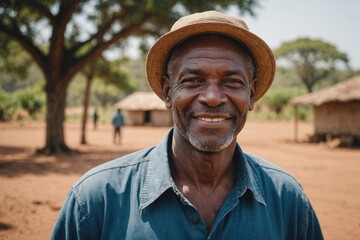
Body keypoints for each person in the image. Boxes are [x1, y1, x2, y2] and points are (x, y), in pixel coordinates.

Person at [51, 11, 323, 239]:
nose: (213, 98)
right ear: (168, 91)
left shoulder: (288, 201)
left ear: (251, 94)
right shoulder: (96, 200)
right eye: (193, 80)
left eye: (232, 82)